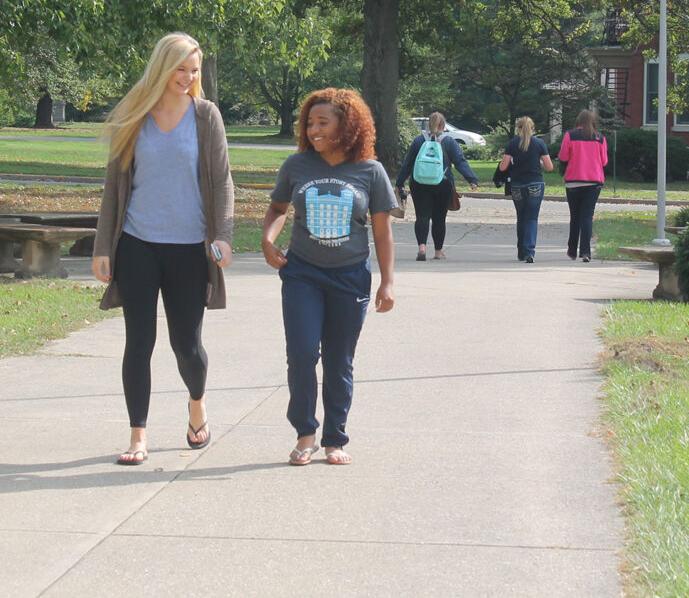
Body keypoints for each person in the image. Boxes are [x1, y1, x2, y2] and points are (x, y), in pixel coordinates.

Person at [92, 32, 234, 466]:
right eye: (180, 69)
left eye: (194, 70)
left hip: (190, 248)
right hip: (137, 245)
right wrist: (103, 246)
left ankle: (197, 405)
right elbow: (114, 189)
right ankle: (138, 435)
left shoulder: (206, 116)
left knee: (186, 346)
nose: (188, 77)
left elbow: (223, 181)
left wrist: (223, 236)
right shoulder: (134, 115)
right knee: (139, 341)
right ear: (161, 67)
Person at [261, 88, 396, 466]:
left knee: (339, 360)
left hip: (351, 277)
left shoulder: (371, 171)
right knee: (302, 354)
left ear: (347, 125)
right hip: (302, 274)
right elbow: (276, 208)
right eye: (310, 122)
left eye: (323, 122)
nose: (314, 129)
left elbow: (382, 232)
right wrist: (268, 239)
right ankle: (306, 434)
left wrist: (387, 281)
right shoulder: (297, 165)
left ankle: (335, 437)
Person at [395, 112, 479, 260]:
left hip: (419, 183)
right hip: (443, 183)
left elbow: (408, 164)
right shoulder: (450, 142)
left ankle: (422, 248)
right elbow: (460, 162)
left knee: (422, 216)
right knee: (439, 218)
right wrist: (472, 179)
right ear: (444, 126)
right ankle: (438, 252)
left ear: (428, 125)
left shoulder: (418, 141)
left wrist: (400, 182)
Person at [498, 116, 553, 263]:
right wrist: (539, 162)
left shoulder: (513, 143)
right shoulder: (539, 143)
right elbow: (549, 167)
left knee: (521, 218)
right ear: (533, 128)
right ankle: (529, 251)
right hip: (535, 183)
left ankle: (521, 252)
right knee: (531, 218)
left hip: (517, 185)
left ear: (518, 128)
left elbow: (503, 167)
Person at [558, 110, 609, 263]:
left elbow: (563, 156)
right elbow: (604, 161)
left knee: (575, 217)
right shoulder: (600, 138)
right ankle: (585, 252)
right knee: (587, 216)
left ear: (578, 121)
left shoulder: (570, 135)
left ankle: (572, 250)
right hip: (593, 182)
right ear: (593, 121)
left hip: (574, 181)